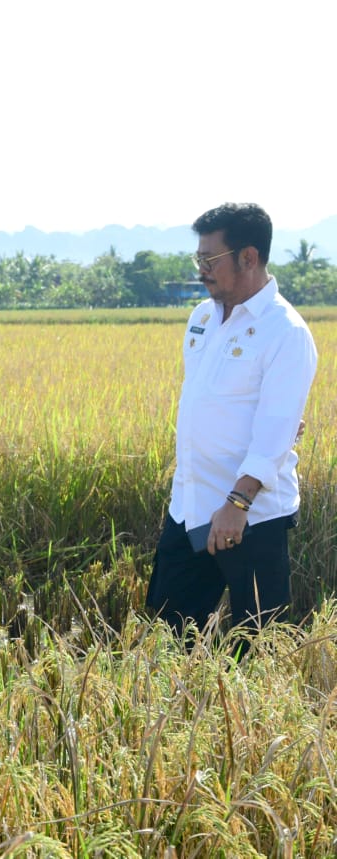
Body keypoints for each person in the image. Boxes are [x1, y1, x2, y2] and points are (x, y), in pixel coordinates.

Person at [146, 202, 318, 651]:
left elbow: (275, 429)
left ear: (248, 257)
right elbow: (207, 403)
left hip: (251, 517)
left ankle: (251, 724)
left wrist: (237, 503)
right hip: (189, 507)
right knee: (168, 639)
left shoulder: (285, 332)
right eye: (198, 260)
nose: (202, 270)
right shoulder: (202, 317)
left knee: (258, 646)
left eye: (210, 261)